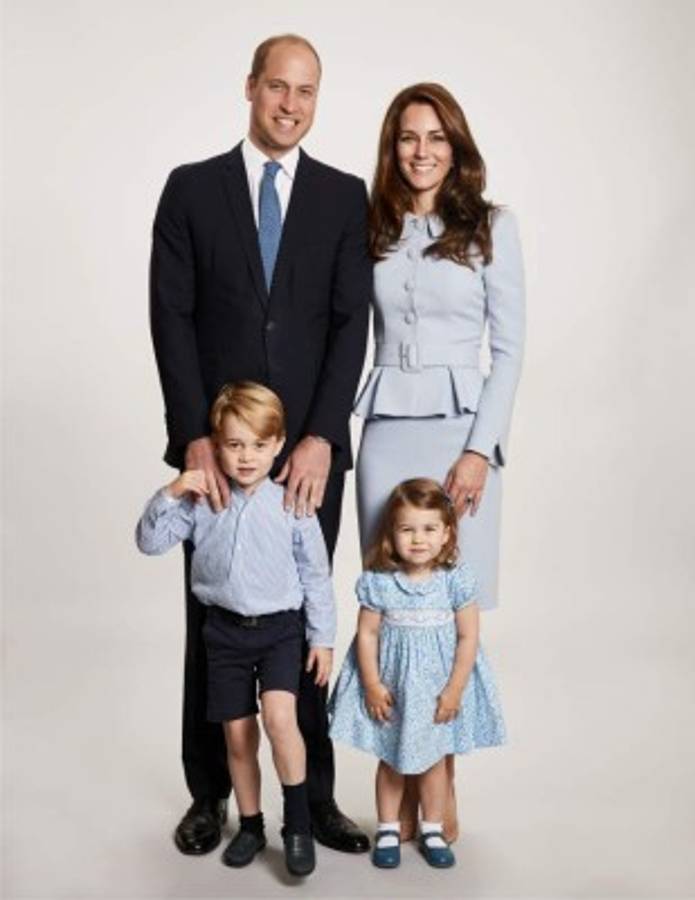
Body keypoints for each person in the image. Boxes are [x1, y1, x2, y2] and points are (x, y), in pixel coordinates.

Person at [149, 34, 372, 855]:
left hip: (305, 459)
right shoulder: (192, 189)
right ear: (251, 88)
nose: (290, 104)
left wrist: (322, 438)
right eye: (278, 86)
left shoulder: (343, 197)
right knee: (211, 622)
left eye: (305, 91)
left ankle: (313, 799)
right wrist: (193, 439)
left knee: (305, 623)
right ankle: (210, 794)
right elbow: (170, 316)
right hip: (220, 454)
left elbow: (351, 323)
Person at [354, 82, 524, 841]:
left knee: (449, 610)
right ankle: (400, 788)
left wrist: (479, 450)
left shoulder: (492, 226)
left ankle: (441, 788)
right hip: (387, 430)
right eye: (407, 137)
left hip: (461, 433)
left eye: (435, 137)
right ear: (392, 148)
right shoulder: (371, 225)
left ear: (455, 148)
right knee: (394, 612)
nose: (420, 151)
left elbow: (509, 350)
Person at [136, 382, 335, 876]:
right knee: (239, 736)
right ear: (217, 445)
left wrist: (323, 639)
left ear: (279, 444)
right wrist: (172, 491)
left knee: (280, 719)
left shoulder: (291, 503)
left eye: (259, 445)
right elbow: (149, 542)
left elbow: (316, 576)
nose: (247, 457)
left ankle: (298, 824)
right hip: (224, 634)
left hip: (280, 632)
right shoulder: (203, 501)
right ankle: (250, 825)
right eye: (234, 444)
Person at [328, 478, 505, 869]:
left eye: (429, 529)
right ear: (391, 534)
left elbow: (468, 637)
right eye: (407, 529)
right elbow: (367, 635)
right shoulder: (380, 583)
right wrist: (372, 685)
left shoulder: (455, 581)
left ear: (447, 533)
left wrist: (455, 689)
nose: (418, 539)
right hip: (394, 691)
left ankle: (433, 828)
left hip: (437, 692)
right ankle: (389, 828)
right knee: (391, 760)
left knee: (434, 761)